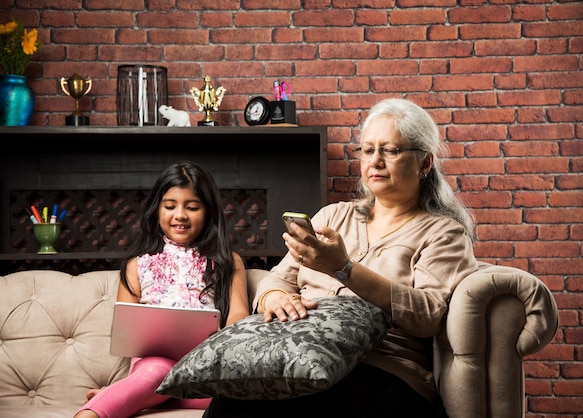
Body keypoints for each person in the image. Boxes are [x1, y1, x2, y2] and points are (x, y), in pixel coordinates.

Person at [203, 98, 478, 418]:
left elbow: (429, 313)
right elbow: (278, 277)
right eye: (367, 149)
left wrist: (343, 268)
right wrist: (274, 297)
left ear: (424, 163)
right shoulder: (333, 216)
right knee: (229, 402)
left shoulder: (443, 233)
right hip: (300, 357)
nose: (375, 161)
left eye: (390, 150)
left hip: (382, 370)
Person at [75, 161, 249, 418]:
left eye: (192, 207)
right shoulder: (137, 265)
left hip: (204, 362)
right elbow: (126, 332)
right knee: (156, 372)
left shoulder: (228, 261)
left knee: (233, 393)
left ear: (209, 212)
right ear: (157, 210)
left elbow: (239, 316)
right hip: (152, 364)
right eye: (170, 206)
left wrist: (217, 337)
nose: (180, 215)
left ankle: (131, 395)